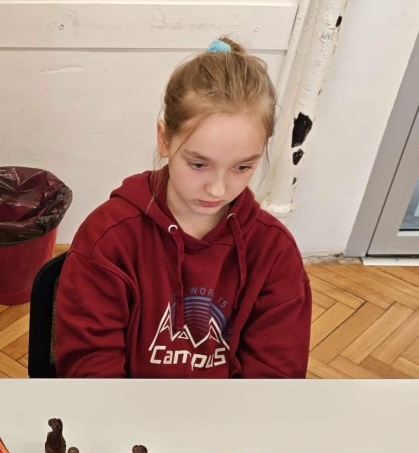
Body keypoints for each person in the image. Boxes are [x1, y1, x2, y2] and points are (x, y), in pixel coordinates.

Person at [56, 37, 311, 379]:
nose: (218, 189)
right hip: (125, 410)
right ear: (164, 139)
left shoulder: (274, 252)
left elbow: (275, 379)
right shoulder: (109, 238)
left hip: (230, 413)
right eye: (199, 164)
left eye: (242, 167)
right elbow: (91, 371)